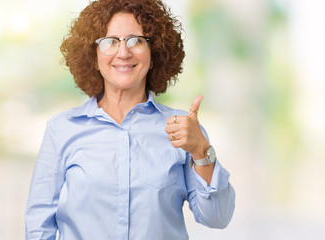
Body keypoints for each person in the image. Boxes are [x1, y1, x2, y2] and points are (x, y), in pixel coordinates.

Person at [25, 0, 235, 239]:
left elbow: (217, 218)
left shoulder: (184, 130)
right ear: (93, 57)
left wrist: (201, 151)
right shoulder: (62, 129)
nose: (123, 53)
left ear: (153, 54)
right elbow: (38, 225)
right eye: (109, 42)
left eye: (136, 41)